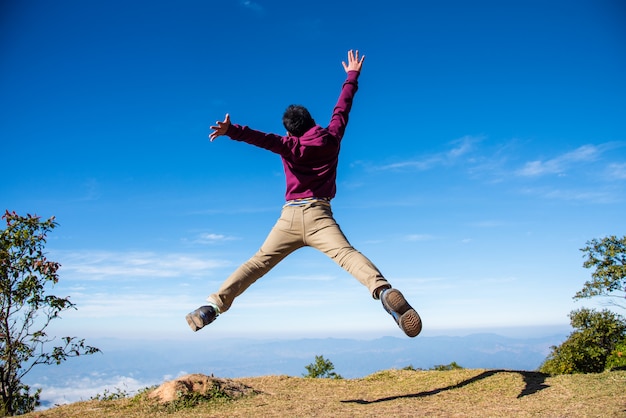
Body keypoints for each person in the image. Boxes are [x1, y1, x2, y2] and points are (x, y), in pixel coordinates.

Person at [186, 50, 422, 338]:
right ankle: (383, 291)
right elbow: (342, 109)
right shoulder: (331, 137)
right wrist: (352, 75)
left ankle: (212, 306)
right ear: (312, 120)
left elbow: (266, 140)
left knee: (257, 263)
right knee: (348, 256)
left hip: (289, 218)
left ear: (291, 132)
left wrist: (231, 130)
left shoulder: (290, 146)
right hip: (321, 216)